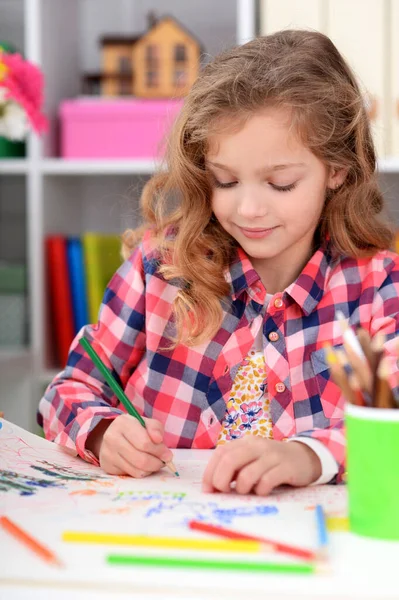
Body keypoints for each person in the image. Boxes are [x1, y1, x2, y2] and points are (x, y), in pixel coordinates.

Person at [38, 30, 399, 496]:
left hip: (308, 548)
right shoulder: (161, 267)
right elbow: (67, 391)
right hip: (163, 533)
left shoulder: (377, 283)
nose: (248, 209)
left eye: (281, 183)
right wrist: (103, 432)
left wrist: (309, 455)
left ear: (337, 169)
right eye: (225, 181)